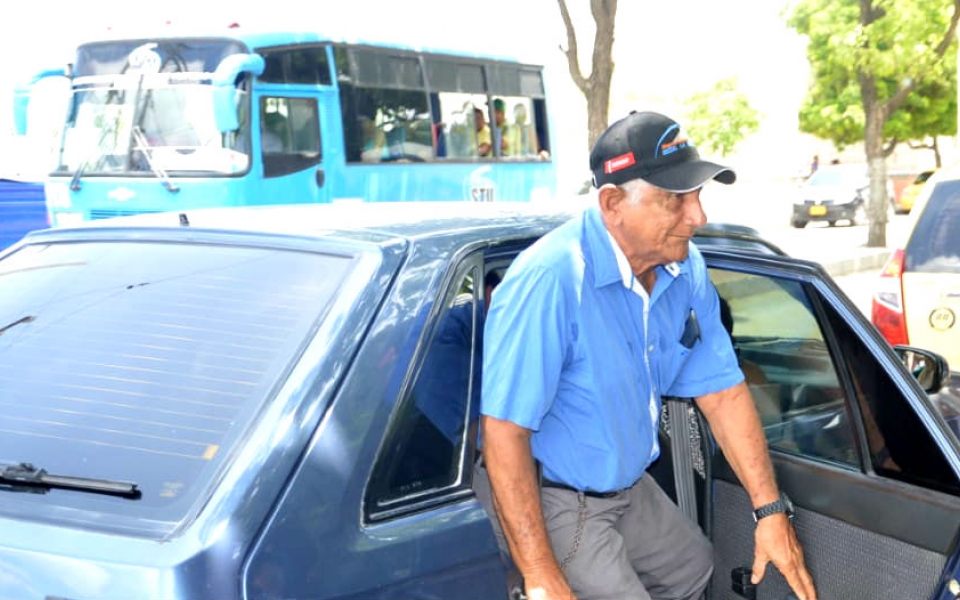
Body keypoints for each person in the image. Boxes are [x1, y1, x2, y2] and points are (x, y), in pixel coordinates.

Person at [480, 111, 817, 600]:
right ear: (613, 202)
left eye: (697, 196)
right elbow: (504, 433)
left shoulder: (684, 267)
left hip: (627, 484)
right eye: (674, 200)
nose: (698, 217)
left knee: (694, 569)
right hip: (554, 494)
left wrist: (770, 512)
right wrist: (541, 575)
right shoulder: (551, 280)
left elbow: (721, 391)